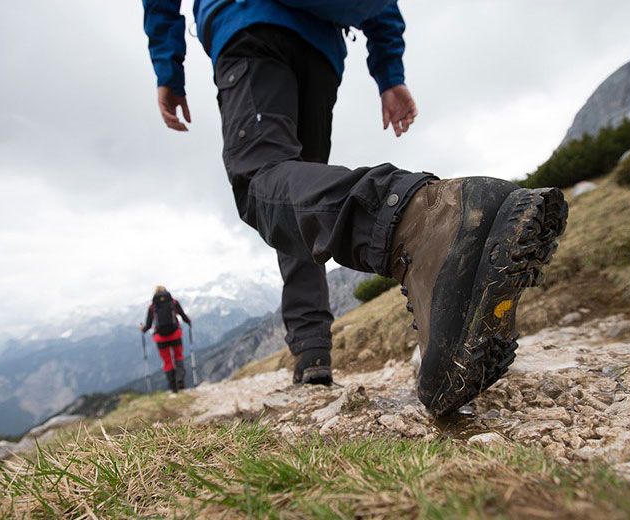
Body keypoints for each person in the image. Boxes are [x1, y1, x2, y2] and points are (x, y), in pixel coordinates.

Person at [141, 1, 568, 417]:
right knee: (298, 193)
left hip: (249, 29)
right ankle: (312, 352)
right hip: (321, 51)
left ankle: (427, 220)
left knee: (262, 181)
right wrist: (389, 73)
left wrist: (168, 69)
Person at [140, 286, 192, 393]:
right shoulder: (173, 302)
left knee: (167, 361)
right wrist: (189, 322)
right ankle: (180, 380)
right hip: (175, 335)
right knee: (178, 357)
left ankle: (173, 387)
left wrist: (142, 329)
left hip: (161, 338)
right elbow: (183, 316)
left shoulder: (152, 307)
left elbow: (149, 325)